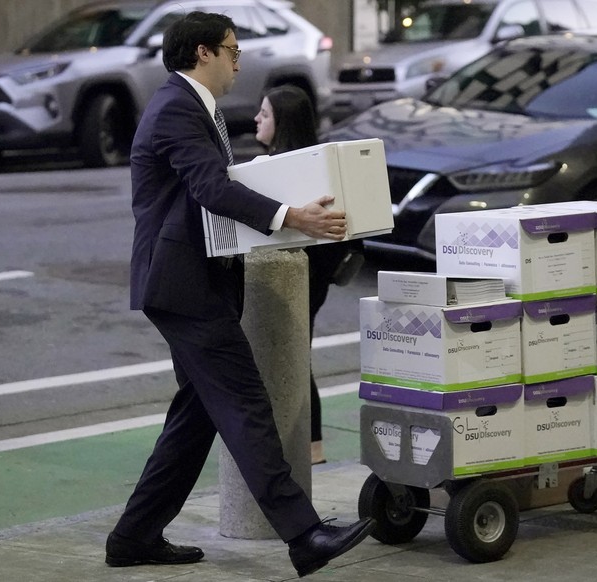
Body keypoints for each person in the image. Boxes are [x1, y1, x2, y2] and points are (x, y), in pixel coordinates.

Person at [105, 12, 373, 578]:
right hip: (182, 285)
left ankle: (134, 536)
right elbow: (210, 186)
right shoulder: (177, 106)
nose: (238, 61)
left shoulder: (190, 106)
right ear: (203, 52)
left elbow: (212, 186)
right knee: (246, 402)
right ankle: (304, 535)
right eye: (232, 50)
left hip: (194, 280)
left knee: (198, 413)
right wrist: (287, 215)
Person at [253, 85, 363, 465]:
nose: (256, 119)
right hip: (316, 278)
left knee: (288, 358)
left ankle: (305, 444)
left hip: (291, 276)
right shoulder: (320, 168)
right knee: (299, 355)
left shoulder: (276, 172)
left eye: (264, 114)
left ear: (281, 123)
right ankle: (311, 445)